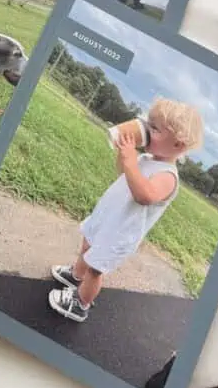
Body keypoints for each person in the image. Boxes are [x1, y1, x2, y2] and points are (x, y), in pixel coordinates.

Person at [47, 98, 204, 323]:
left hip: (120, 231)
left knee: (95, 268)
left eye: (155, 129)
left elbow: (145, 196)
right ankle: (75, 276)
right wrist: (124, 157)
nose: (147, 131)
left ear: (178, 144)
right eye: (148, 125)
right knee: (87, 245)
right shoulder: (147, 158)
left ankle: (81, 303)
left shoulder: (168, 176)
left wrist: (131, 163)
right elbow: (123, 173)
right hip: (109, 217)